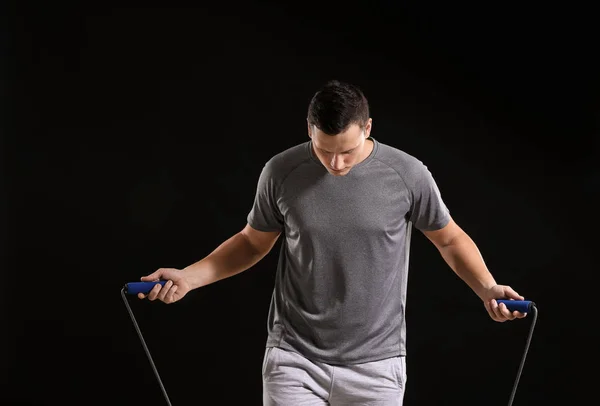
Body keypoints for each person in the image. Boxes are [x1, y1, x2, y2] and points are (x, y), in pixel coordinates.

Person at [137, 80, 528, 405]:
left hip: (377, 364)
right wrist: (189, 277)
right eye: (325, 151)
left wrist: (487, 287)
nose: (336, 164)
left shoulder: (407, 174)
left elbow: (450, 239)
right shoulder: (281, 171)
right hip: (294, 358)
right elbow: (250, 243)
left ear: (368, 128)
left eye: (347, 152)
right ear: (309, 129)